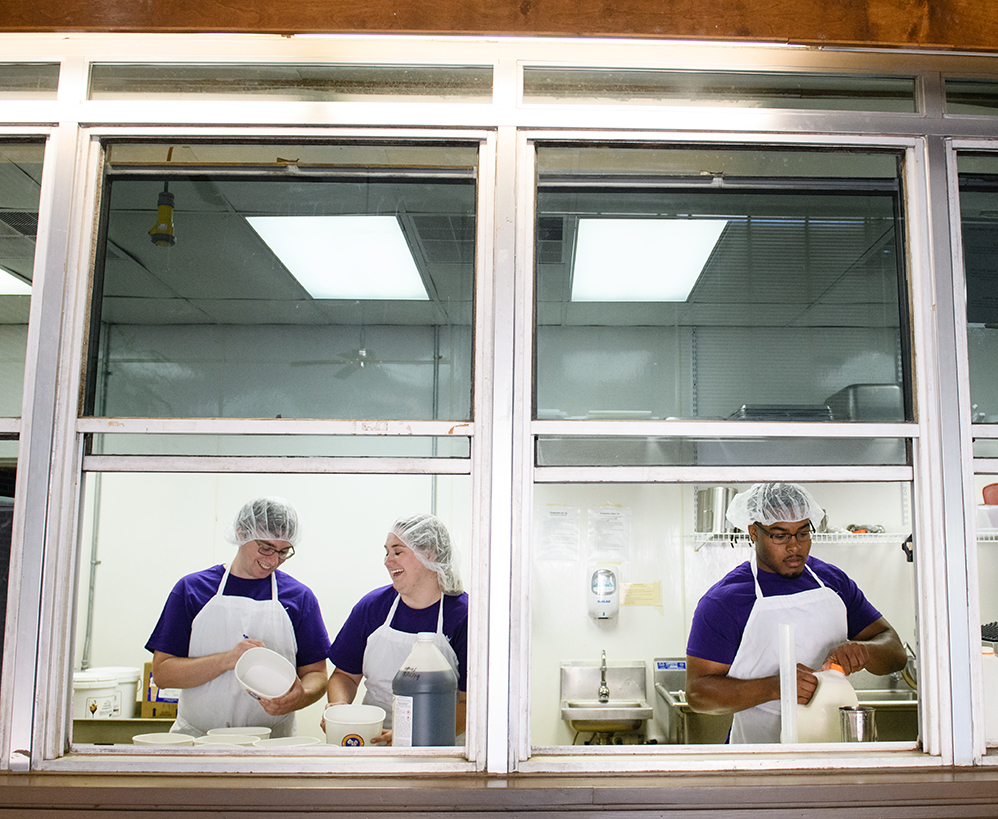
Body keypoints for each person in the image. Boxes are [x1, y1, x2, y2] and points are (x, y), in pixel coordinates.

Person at [685, 482, 907, 744]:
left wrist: (864, 651)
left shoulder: (833, 582)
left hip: (834, 750)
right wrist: (774, 687)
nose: (795, 547)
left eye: (803, 533)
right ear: (754, 532)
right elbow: (698, 694)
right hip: (758, 760)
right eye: (780, 535)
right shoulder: (724, 601)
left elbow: (895, 654)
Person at [145, 497, 329, 738]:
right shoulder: (192, 590)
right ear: (241, 532)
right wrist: (227, 660)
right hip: (198, 739)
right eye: (265, 548)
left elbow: (317, 674)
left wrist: (301, 696)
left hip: (273, 742)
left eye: (284, 552)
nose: (273, 561)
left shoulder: (299, 598)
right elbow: (163, 674)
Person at [324, 513, 468, 744]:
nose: (387, 561)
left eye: (397, 552)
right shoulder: (372, 607)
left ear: (429, 554)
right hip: (373, 741)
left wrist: (415, 735)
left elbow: (469, 703)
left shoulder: (463, 616)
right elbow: (345, 676)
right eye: (386, 552)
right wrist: (340, 709)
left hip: (439, 746)